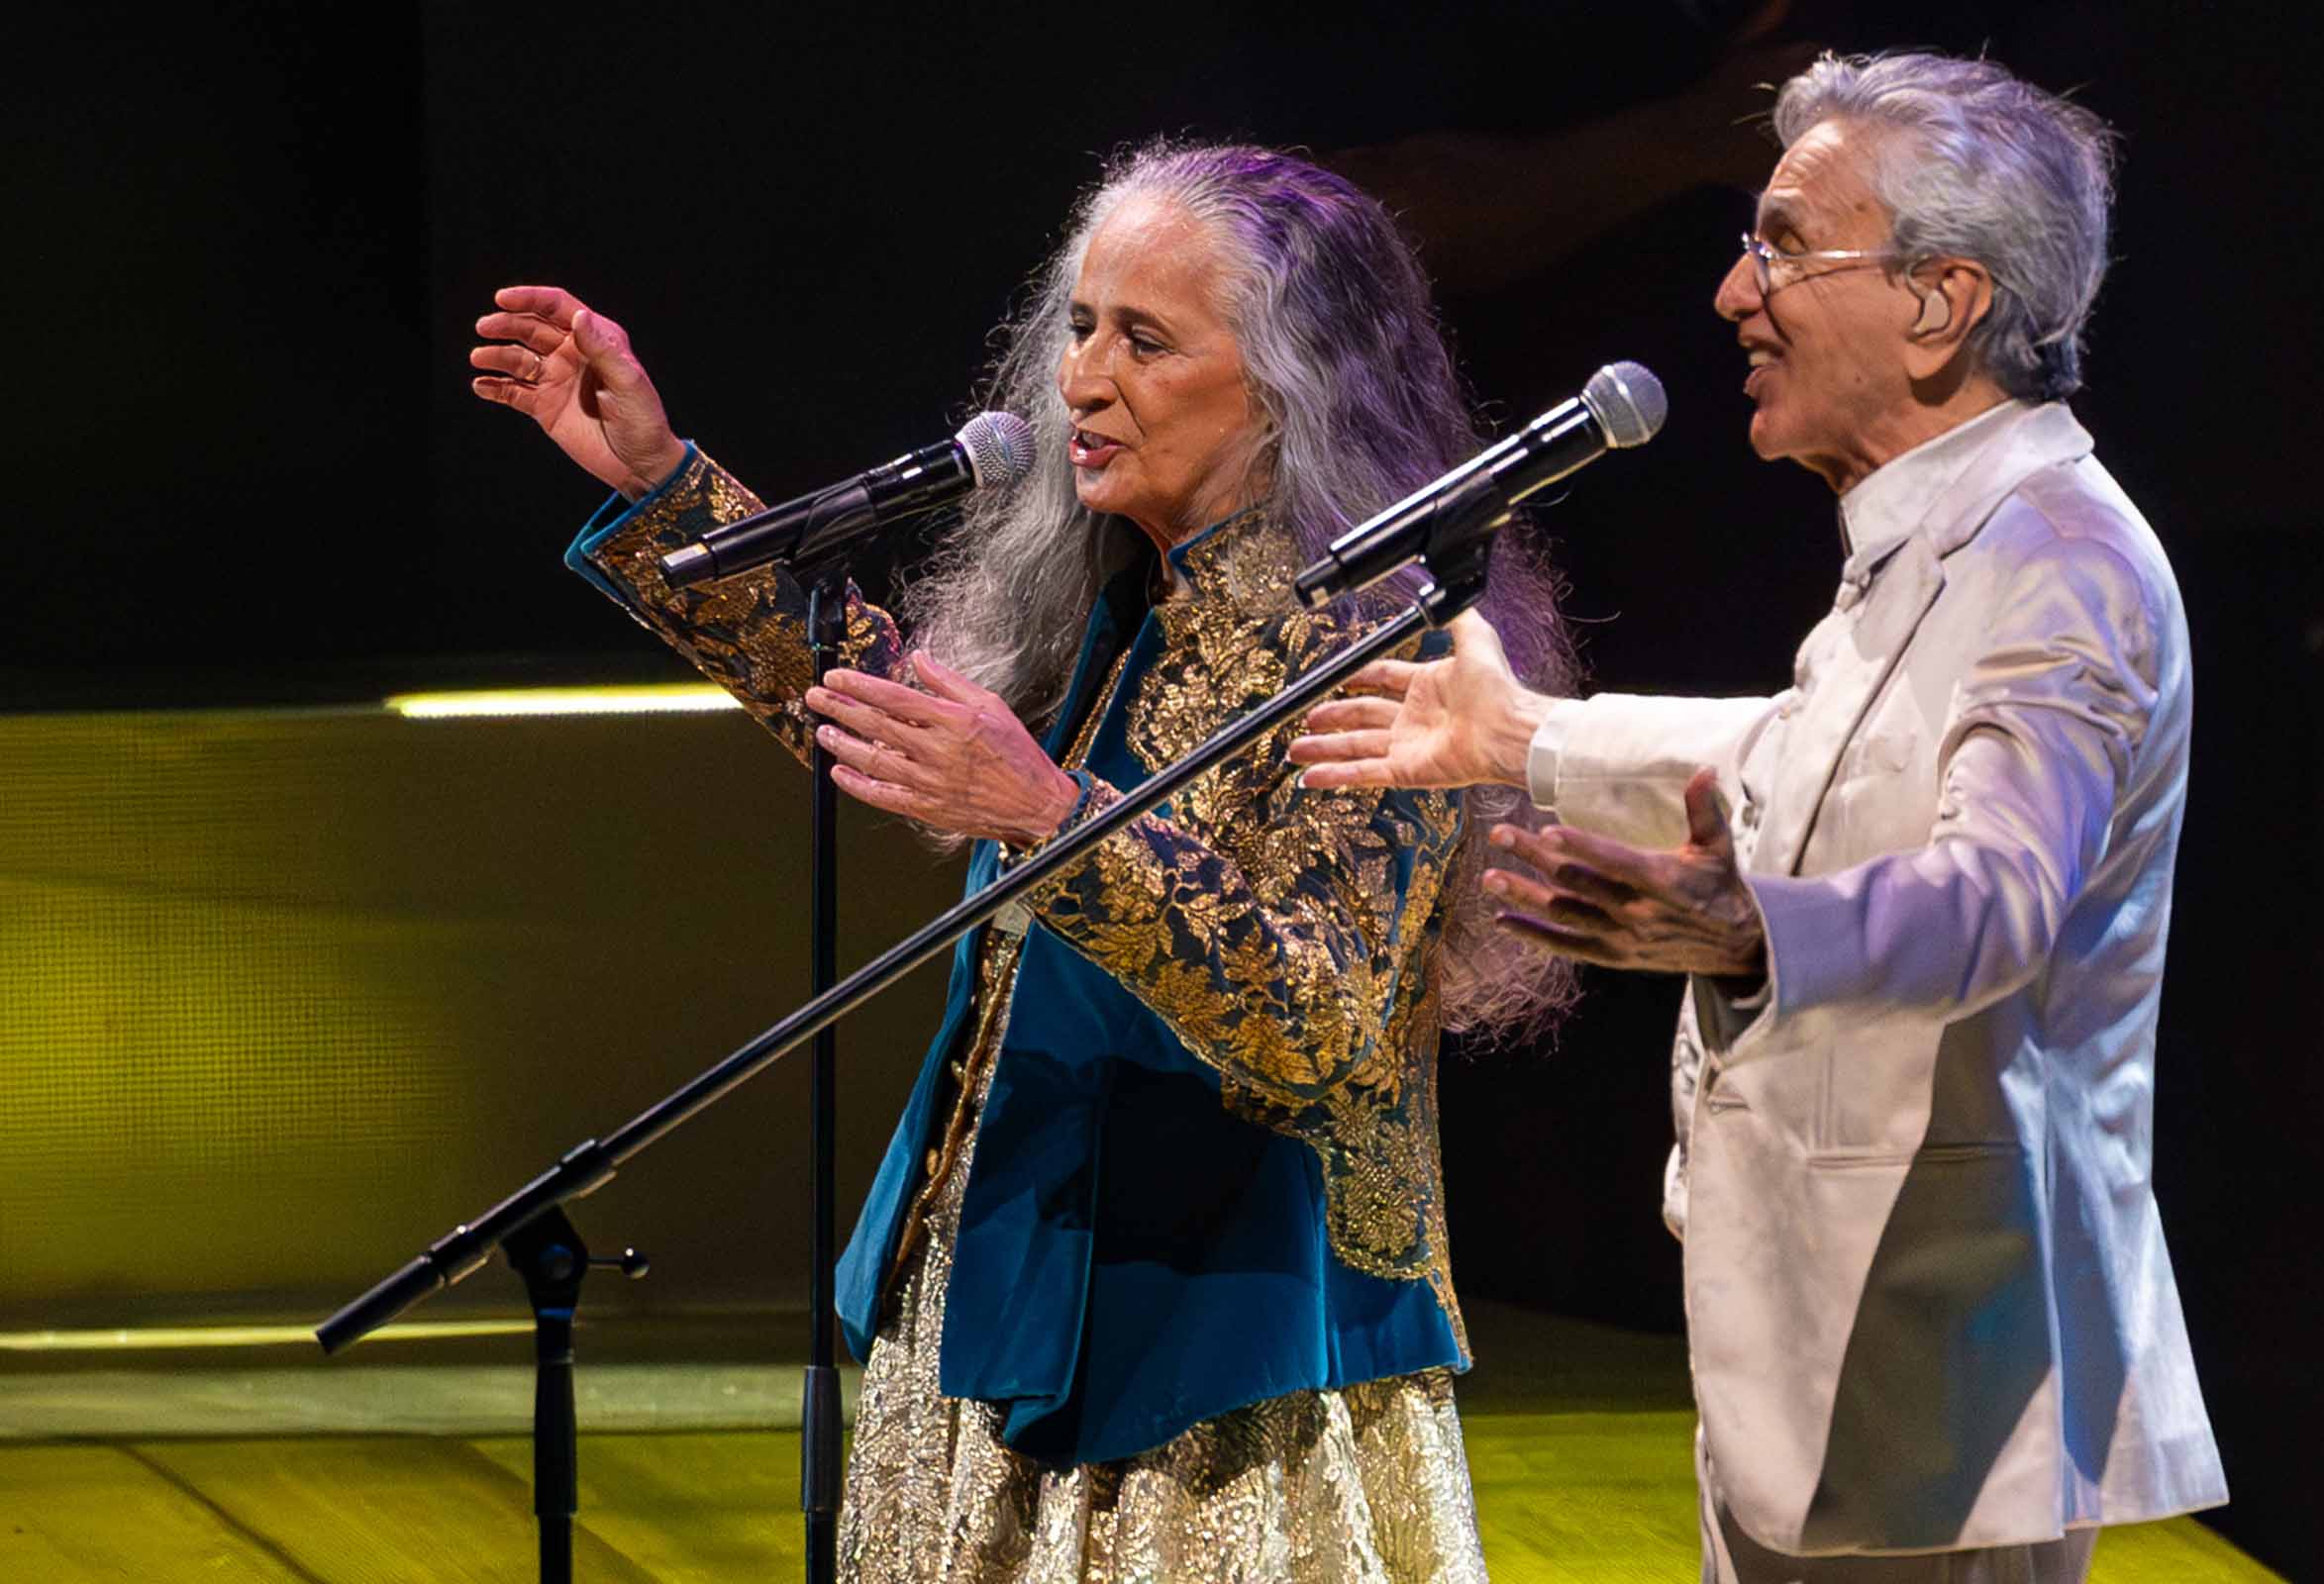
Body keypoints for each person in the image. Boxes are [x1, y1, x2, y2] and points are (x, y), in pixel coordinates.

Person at [470, 144, 1575, 1581]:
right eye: (1078, 327)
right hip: (997, 1277)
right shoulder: (1120, 594)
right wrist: (663, 482)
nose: (1081, 379)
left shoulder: (1386, 642)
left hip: (1223, 1366)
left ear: (1292, 385)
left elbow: (1318, 1020)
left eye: (1146, 338)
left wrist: (1055, 821)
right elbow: (881, 706)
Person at [1291, 50, 2226, 1582]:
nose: (1734, 294)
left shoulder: (2058, 563)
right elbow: (1810, 753)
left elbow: (1997, 896)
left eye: (1785, 244)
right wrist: (1521, 738)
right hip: (1839, 1364)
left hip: (1941, 1387)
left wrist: (1749, 931)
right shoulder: (1938, 533)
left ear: (1941, 303)